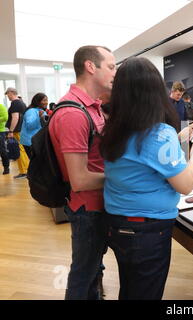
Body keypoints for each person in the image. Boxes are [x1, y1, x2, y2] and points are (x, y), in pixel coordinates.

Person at [100, 57, 193, 300]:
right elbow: (185, 185)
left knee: (131, 287)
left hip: (118, 224)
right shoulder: (158, 134)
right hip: (147, 232)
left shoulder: (113, 129)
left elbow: (142, 163)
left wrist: (178, 138)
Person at [49, 45, 116, 300]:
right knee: (82, 275)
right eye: (110, 66)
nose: (115, 72)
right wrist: (123, 177)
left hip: (97, 206)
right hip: (87, 209)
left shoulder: (92, 107)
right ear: (91, 67)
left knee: (92, 274)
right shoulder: (73, 114)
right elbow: (79, 180)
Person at [5, 87, 29, 179]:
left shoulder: (15, 103)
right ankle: (26, 170)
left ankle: (24, 171)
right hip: (21, 129)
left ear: (11, 93)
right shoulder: (21, 102)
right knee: (21, 149)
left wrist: (11, 131)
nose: (7, 96)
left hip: (16, 130)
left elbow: (15, 117)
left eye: (8, 94)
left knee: (19, 149)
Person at [20, 93, 48, 158]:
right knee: (35, 163)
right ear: (37, 101)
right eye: (44, 100)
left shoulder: (41, 111)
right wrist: (39, 118)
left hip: (37, 140)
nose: (46, 102)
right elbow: (30, 126)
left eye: (46, 100)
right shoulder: (31, 111)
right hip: (30, 142)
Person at [0, 102, 9, 174]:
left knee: (2, 150)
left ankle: (6, 167)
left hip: (0, 131)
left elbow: (5, 117)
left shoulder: (1, 106)